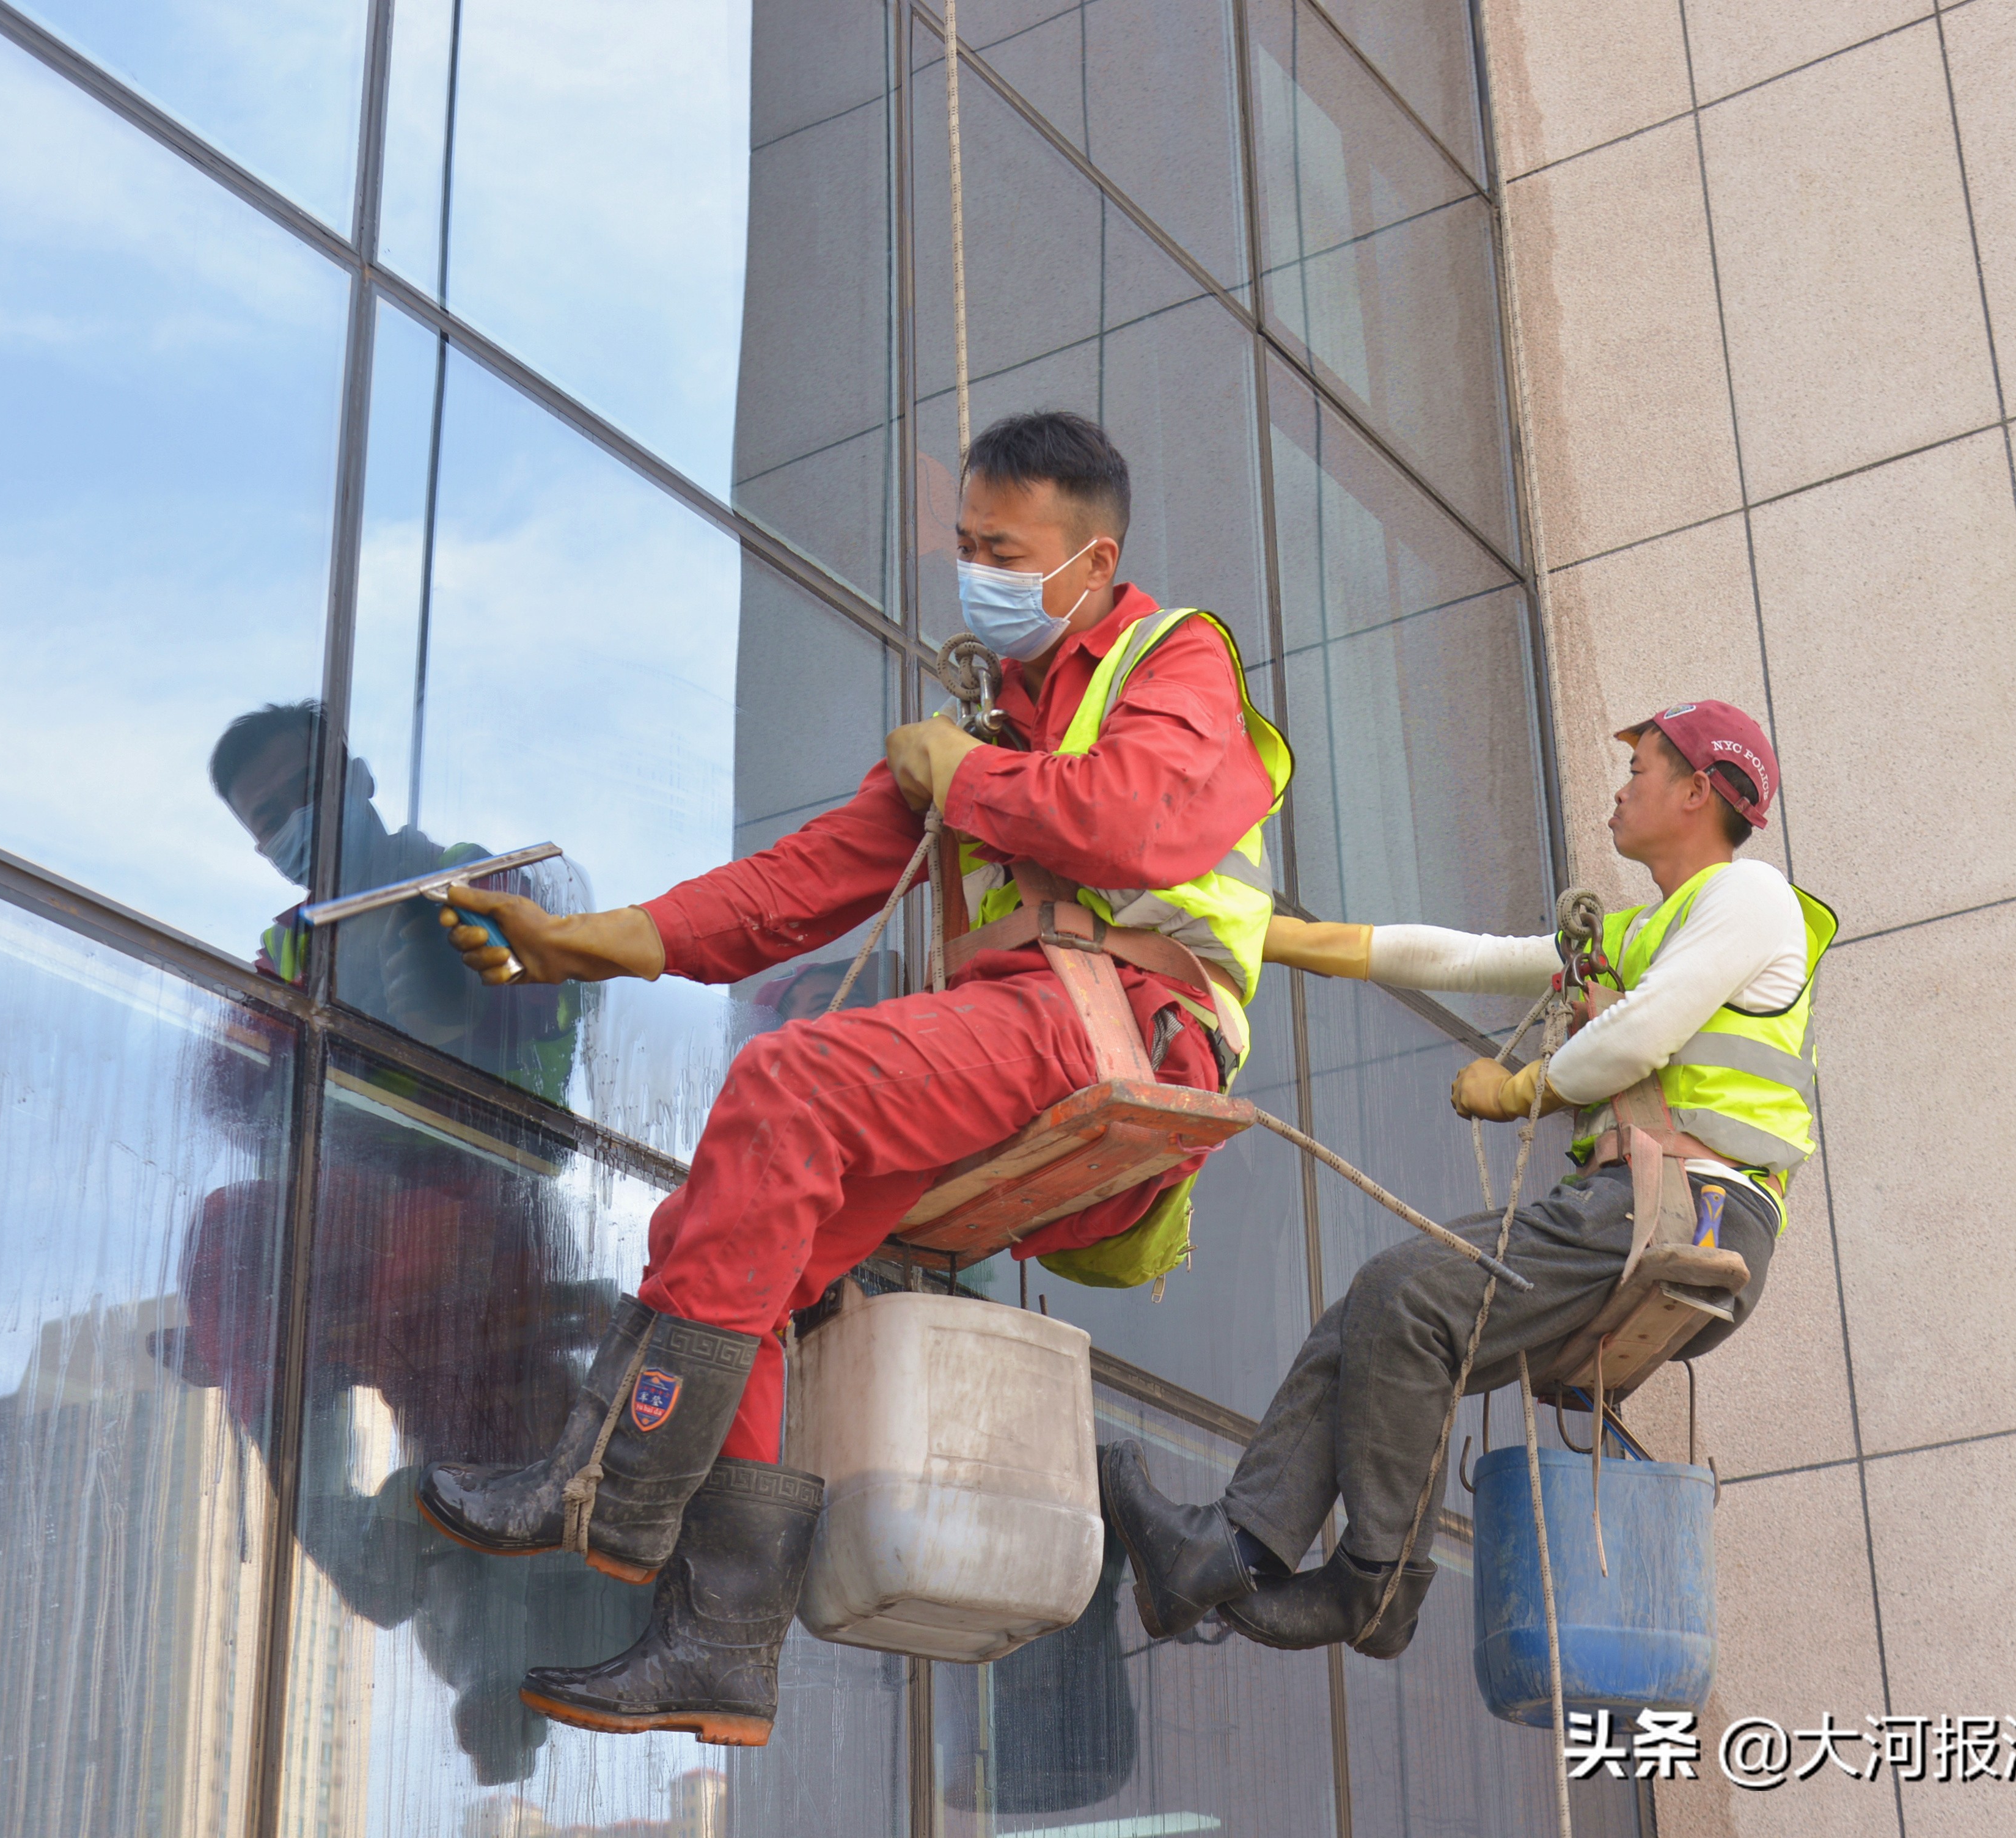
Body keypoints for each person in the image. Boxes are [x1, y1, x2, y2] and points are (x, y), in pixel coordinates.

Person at [411, 411, 1292, 1746]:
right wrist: (583, 944)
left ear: (1093, 560)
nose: (977, 573)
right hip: (1017, 1026)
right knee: (745, 1256)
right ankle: (722, 1645)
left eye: (1006, 550)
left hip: (1125, 1017)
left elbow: (1136, 817)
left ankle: (608, 1481)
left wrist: (970, 774)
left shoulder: (1178, 661)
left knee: (790, 1081)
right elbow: (796, 888)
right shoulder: (982, 722)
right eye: (966, 546)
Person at [1098, 700, 1835, 1658]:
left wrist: (1523, 1085)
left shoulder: (1751, 900)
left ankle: (1378, 1588)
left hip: (1691, 1215)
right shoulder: (1645, 933)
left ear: (1700, 791)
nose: (1623, 787)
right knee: (1368, 1318)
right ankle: (1226, 1551)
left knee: (1408, 1299)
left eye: (1643, 769)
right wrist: (1257, 936)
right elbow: (1456, 956)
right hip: (1634, 1212)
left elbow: (1645, 1032)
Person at [208, 700, 588, 1099]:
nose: (300, 817)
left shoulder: (469, 877)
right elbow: (231, 1094)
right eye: (272, 821)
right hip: (340, 1159)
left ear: (360, 779)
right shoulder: (284, 951)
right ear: (263, 847)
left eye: (312, 790)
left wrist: (468, 1005)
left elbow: (556, 1003)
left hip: (478, 1149)